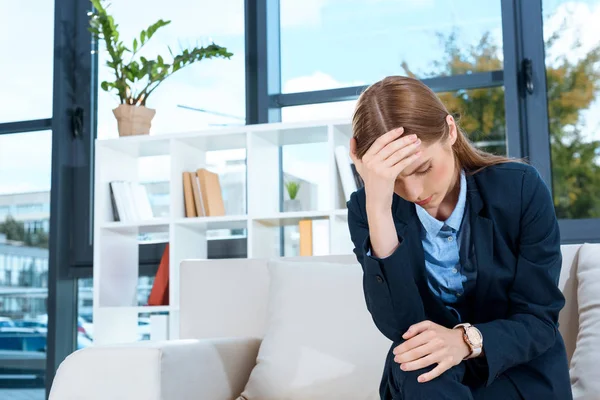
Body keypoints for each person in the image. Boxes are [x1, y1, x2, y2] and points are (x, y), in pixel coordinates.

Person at [346, 76, 572, 400]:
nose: (413, 192)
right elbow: (401, 328)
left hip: (517, 372)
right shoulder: (368, 210)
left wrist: (466, 341)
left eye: (423, 168)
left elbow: (539, 320)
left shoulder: (520, 189)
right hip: (433, 380)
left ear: (450, 131)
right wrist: (379, 209)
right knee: (416, 361)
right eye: (395, 179)